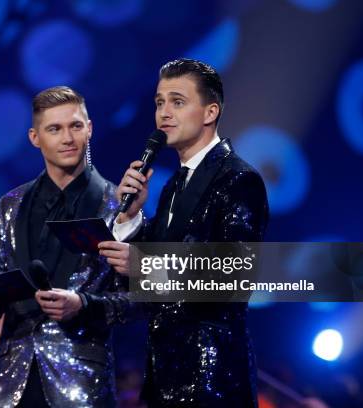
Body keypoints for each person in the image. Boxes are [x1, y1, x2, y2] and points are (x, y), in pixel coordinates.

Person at [99, 58, 269, 407]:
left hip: (211, 376)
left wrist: (144, 266)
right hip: (166, 374)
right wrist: (131, 217)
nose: (164, 113)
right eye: (159, 102)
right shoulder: (173, 185)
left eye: (178, 102)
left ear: (210, 112)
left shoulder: (238, 180)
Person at [0, 86, 129, 408]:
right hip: (12, 379)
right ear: (34, 137)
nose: (67, 138)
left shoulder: (118, 205)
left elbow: (141, 298)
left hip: (80, 381)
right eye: (54, 129)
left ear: (90, 129)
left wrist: (83, 304)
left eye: (75, 126)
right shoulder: (11, 204)